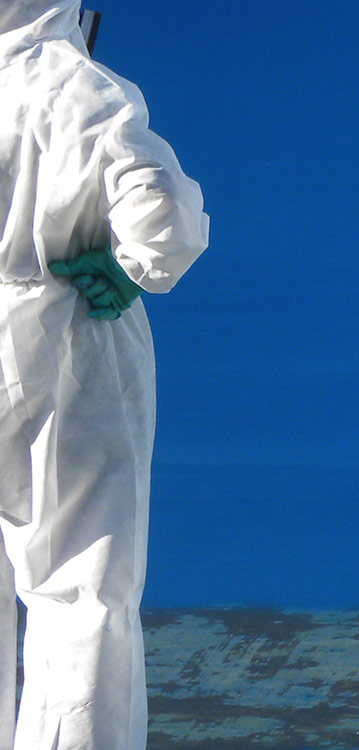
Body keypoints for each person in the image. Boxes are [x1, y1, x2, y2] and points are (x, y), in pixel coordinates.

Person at [0, 1, 210, 747]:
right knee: (81, 588)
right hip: (64, 347)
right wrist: (132, 267)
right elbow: (163, 216)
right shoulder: (78, 89)